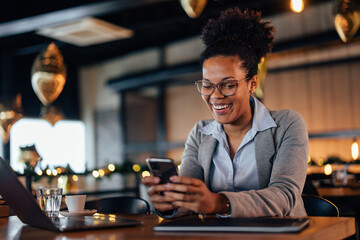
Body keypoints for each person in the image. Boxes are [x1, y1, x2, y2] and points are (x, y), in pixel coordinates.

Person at [142, 7, 309, 218]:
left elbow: (284, 197)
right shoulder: (200, 133)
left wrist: (219, 203)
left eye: (228, 85)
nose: (215, 95)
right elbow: (191, 200)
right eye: (207, 85)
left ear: (252, 84)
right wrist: (171, 204)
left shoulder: (287, 125)